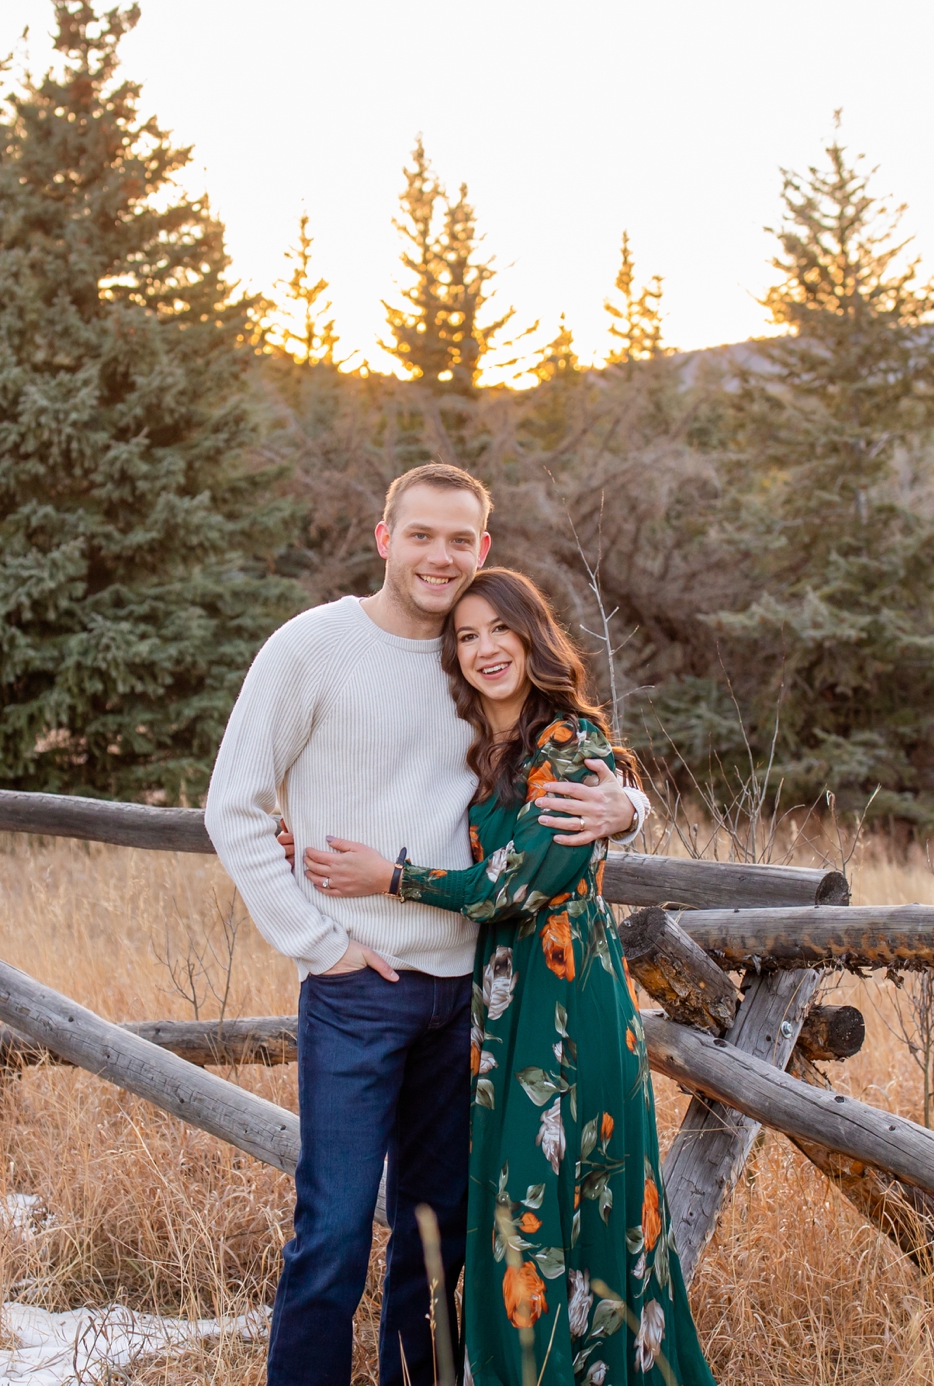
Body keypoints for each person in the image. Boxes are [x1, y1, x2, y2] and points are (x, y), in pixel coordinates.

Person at [204, 465, 649, 1386]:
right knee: (330, 1231)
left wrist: (631, 808)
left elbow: (571, 748)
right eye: (420, 535)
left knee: (434, 1237)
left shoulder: (476, 656)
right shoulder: (311, 647)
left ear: (482, 549)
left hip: (477, 994)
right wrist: (318, 943)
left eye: (459, 540)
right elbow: (231, 806)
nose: (439, 556)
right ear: (384, 538)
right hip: (358, 986)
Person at [303, 567, 715, 1385]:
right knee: (509, 1210)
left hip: (569, 1006)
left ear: (534, 637)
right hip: (501, 1004)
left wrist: (392, 877)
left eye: (502, 629)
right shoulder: (482, 744)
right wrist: (304, 835)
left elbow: (510, 887)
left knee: (564, 1204)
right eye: (467, 635)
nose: (486, 648)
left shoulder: (570, 743)